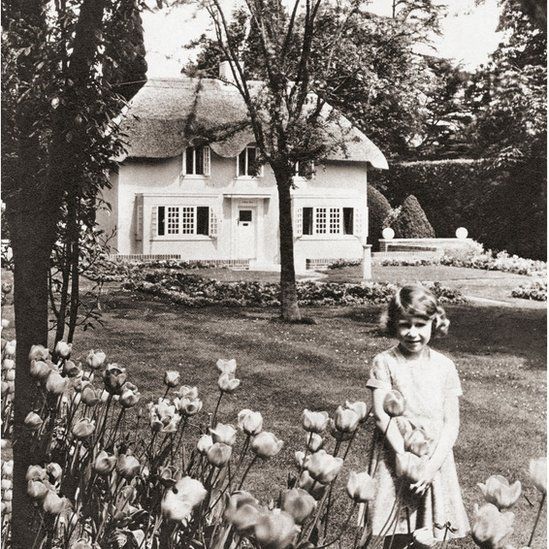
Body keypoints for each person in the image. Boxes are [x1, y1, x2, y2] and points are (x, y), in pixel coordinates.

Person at [365, 284, 470, 547]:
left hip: (434, 457)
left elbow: (451, 423)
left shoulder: (445, 367)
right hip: (395, 454)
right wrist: (403, 456)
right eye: (405, 325)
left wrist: (431, 467)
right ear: (393, 325)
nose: (413, 333)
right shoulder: (385, 362)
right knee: (395, 526)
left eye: (420, 325)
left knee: (428, 531)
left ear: (434, 324)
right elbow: (381, 415)